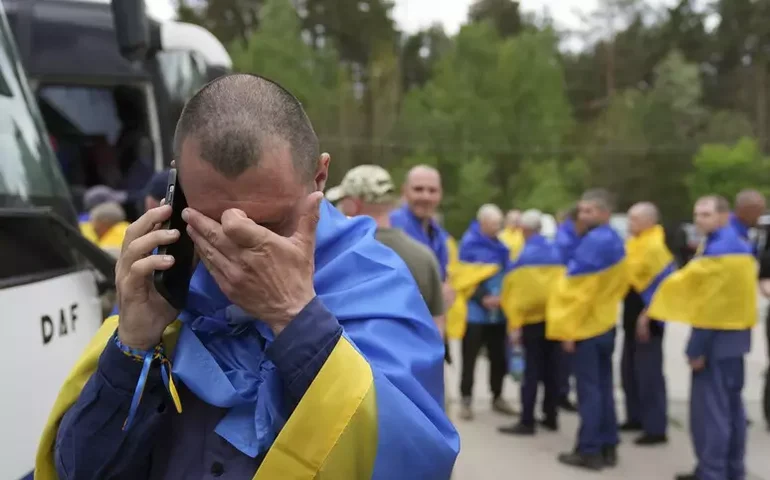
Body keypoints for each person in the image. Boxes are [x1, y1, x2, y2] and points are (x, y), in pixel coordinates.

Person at [36, 74, 459, 480]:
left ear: (319, 177)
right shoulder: (161, 285)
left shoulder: (373, 283)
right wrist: (132, 345)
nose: (237, 246)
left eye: (270, 224)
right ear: (177, 185)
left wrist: (297, 321)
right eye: (210, 222)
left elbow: (416, 463)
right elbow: (79, 469)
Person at [648, 196, 757, 480]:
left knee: (711, 416)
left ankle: (711, 472)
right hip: (736, 341)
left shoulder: (719, 251)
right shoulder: (741, 244)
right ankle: (733, 470)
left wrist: (695, 349)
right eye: (697, 214)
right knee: (732, 411)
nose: (699, 220)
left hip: (714, 344)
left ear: (724, 215)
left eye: (706, 214)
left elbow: (709, 307)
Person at [548, 189, 626, 470]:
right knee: (604, 389)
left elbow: (577, 292)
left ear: (605, 213)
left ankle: (589, 450)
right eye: (581, 211)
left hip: (587, 328)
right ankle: (608, 445)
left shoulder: (593, 243)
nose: (583, 216)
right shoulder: (615, 238)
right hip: (605, 324)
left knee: (589, 392)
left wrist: (568, 330)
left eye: (589, 211)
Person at [325, 164, 446, 335]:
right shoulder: (425, 256)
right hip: (410, 358)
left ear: (353, 204)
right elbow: (437, 323)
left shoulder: (337, 252)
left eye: (343, 201)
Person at [497, 209, 564, 436]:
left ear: (524, 230)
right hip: (554, 321)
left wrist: (515, 324)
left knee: (531, 372)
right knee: (553, 370)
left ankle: (527, 421)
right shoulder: (557, 252)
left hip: (531, 323)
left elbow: (516, 295)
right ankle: (551, 416)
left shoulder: (523, 257)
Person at [448, 204, 517, 420]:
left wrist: (503, 297)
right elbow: (463, 277)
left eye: (499, 223)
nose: (498, 228)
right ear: (483, 223)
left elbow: (508, 274)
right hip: (476, 313)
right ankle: (466, 400)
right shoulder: (469, 245)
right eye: (494, 224)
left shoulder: (502, 246)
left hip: (499, 313)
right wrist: (483, 297)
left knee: (499, 358)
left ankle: (498, 396)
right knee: (470, 359)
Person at [622, 202, 672, 445]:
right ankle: (635, 416)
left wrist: (647, 315)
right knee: (630, 370)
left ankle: (655, 427)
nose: (630, 224)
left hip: (647, 317)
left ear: (649, 221)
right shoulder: (635, 243)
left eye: (634, 219)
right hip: (630, 314)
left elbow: (664, 286)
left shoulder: (655, 247)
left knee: (649, 372)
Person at [553, 205, 580, 413]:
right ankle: (561, 392)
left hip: (564, 300)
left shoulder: (563, 235)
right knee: (566, 354)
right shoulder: (569, 237)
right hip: (569, 300)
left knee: (565, 354)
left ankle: (561, 392)